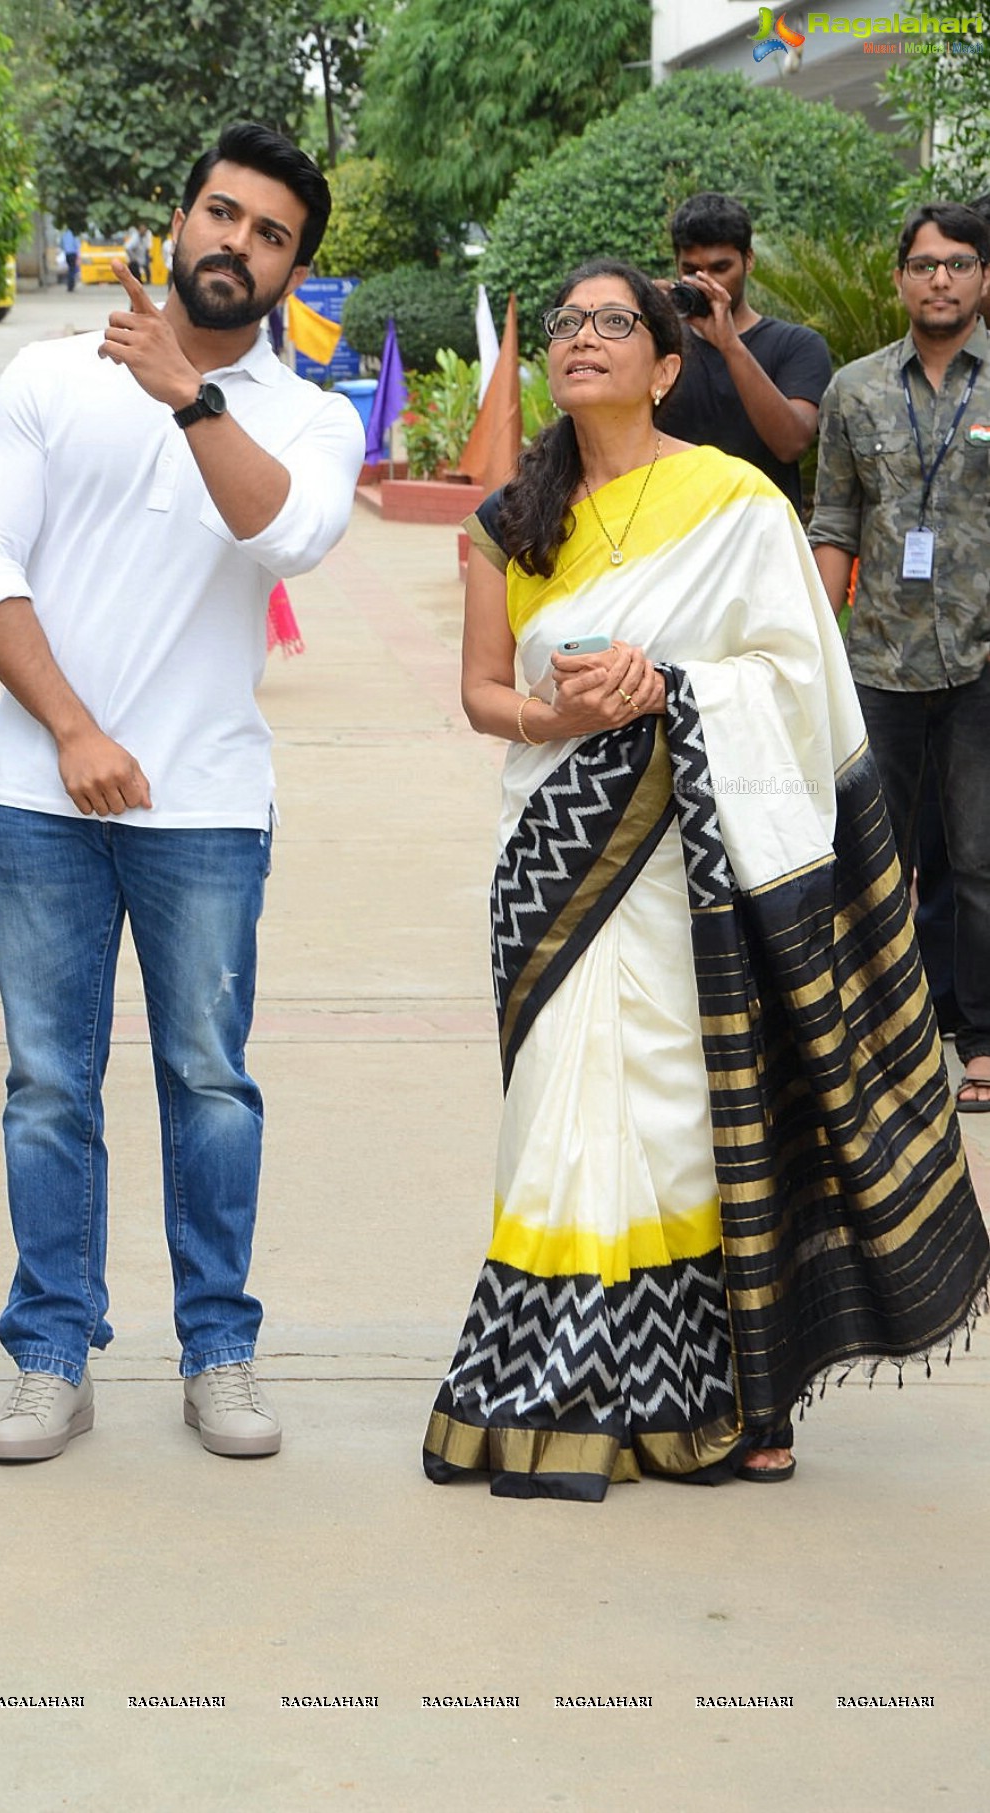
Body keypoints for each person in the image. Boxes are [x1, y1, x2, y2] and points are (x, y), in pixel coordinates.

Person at [422, 259, 988, 1502]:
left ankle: (720, 1390)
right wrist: (558, 714)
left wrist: (674, 691)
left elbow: (800, 679)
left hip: (700, 866)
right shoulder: (505, 520)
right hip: (559, 854)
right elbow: (478, 698)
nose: (579, 340)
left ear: (665, 363)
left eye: (611, 322)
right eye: (565, 323)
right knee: (556, 1116)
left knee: (685, 1113)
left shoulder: (736, 503)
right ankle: (561, 1384)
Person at [0, 121, 366, 1464]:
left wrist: (191, 393)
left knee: (207, 1080)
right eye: (220, 215)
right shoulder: (51, 378)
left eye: (269, 234)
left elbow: (288, 535)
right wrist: (68, 729)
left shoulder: (306, 414)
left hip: (204, 809)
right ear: (176, 220)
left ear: (294, 266)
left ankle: (220, 1350)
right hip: (39, 794)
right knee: (48, 1087)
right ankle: (51, 1353)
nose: (236, 244)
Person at [809, 202, 990, 1113]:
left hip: (982, 663)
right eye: (922, 265)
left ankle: (983, 1040)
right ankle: (877, 1033)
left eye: (957, 263)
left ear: (982, 278)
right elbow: (836, 519)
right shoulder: (852, 390)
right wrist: (819, 646)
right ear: (898, 279)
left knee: (981, 855)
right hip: (876, 661)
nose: (939, 280)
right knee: (866, 852)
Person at [654, 192, 831, 516]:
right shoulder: (661, 346)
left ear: (748, 260)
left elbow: (791, 443)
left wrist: (730, 344)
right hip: (674, 534)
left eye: (721, 268)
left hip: (762, 538)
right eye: (691, 270)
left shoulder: (798, 345)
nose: (706, 282)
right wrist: (641, 314)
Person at [58, 227, 80, 293]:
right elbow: (77, 245)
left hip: (67, 254)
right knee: (72, 270)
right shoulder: (74, 234)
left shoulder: (64, 234)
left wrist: (65, 249)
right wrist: (78, 255)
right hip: (73, 253)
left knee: (70, 269)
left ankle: (70, 285)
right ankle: (71, 286)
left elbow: (61, 245)